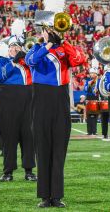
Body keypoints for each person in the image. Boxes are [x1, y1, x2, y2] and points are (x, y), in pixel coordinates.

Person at [25, 21, 85, 207]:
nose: (50, 33)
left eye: (53, 30)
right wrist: (48, 44)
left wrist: (63, 42)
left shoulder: (65, 49)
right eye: (47, 31)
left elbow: (78, 60)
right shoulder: (36, 48)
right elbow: (31, 61)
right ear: (42, 32)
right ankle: (44, 196)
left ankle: (57, 195)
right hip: (41, 97)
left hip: (60, 98)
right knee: (42, 147)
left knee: (59, 148)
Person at [0, 20, 36, 182]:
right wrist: (14, 61)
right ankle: (8, 172)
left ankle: (29, 171)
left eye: (17, 48)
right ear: (8, 49)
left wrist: (24, 58)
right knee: (9, 138)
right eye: (12, 47)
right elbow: (0, 76)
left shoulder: (28, 63)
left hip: (27, 101)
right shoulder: (1, 61)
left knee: (28, 137)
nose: (15, 50)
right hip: (8, 104)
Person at [84, 68, 99, 135]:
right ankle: (89, 131)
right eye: (91, 73)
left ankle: (94, 131)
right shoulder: (87, 81)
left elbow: (99, 90)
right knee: (89, 115)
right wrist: (89, 85)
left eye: (93, 73)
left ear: (96, 74)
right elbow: (85, 89)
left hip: (95, 98)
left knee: (95, 115)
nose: (91, 74)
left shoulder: (98, 81)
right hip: (89, 98)